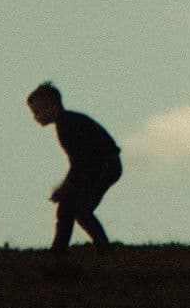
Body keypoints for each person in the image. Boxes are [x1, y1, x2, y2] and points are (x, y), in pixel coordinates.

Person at [27, 81, 122, 251]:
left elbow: (80, 163)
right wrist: (67, 188)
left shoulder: (67, 126)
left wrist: (66, 187)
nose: (35, 117)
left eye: (37, 112)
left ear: (52, 106)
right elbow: (80, 164)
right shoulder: (67, 122)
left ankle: (104, 248)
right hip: (98, 166)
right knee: (68, 205)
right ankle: (59, 249)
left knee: (81, 209)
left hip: (105, 166)